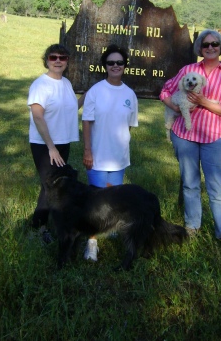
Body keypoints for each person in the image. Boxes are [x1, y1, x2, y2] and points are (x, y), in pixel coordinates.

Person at [160, 29, 221, 255]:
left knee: (217, 187)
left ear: (220, 46)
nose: (210, 48)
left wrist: (203, 101)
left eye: (215, 44)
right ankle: (192, 227)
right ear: (200, 48)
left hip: (214, 137)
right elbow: (166, 90)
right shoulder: (188, 70)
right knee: (190, 183)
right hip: (185, 137)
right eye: (206, 45)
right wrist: (175, 107)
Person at [82, 44, 139, 261]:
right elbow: (86, 122)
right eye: (111, 63)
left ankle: (111, 229)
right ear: (104, 66)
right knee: (95, 201)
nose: (115, 66)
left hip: (119, 157)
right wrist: (88, 150)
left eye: (119, 62)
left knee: (114, 198)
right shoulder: (95, 91)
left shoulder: (130, 94)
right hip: (96, 156)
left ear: (125, 66)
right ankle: (92, 242)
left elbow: (130, 125)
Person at [28, 43, 85, 242]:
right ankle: (38, 228)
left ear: (67, 61)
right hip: (44, 144)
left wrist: (87, 97)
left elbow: (70, 109)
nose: (58, 61)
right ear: (47, 61)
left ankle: (49, 222)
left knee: (57, 185)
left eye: (62, 57)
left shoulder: (66, 84)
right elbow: (38, 117)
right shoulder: (40, 85)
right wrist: (51, 147)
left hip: (63, 141)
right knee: (49, 185)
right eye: (53, 57)